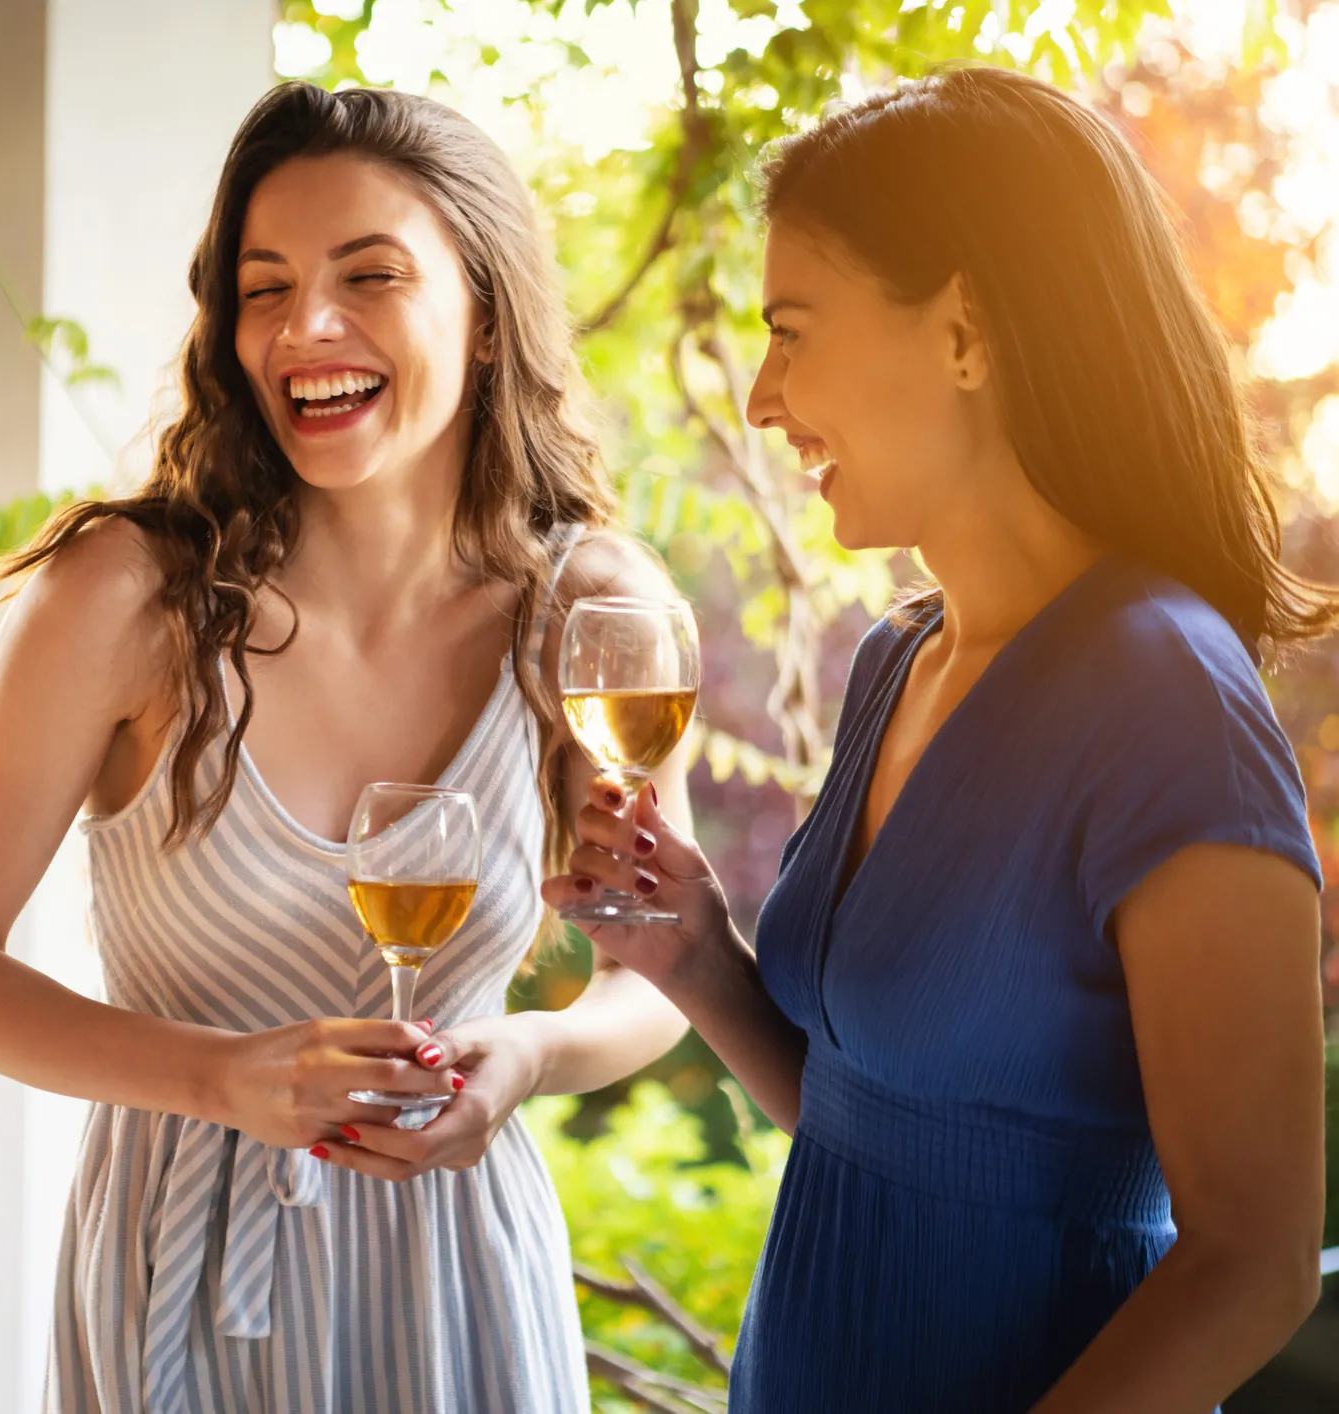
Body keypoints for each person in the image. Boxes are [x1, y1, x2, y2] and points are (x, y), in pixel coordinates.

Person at [0, 81, 690, 1414]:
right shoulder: (123, 600)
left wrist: (532, 1056)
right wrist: (223, 1078)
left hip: (459, 1278)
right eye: (265, 289)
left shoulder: (591, 616)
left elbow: (654, 968)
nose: (305, 328)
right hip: (180, 1278)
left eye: (370, 275)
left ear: (487, 314)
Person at [548, 65, 1334, 1414]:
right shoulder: (897, 658)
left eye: (792, 331)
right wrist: (696, 954)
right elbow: (875, 1124)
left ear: (966, 330)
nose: (762, 399)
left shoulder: (1168, 696)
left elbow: (1256, 1262)